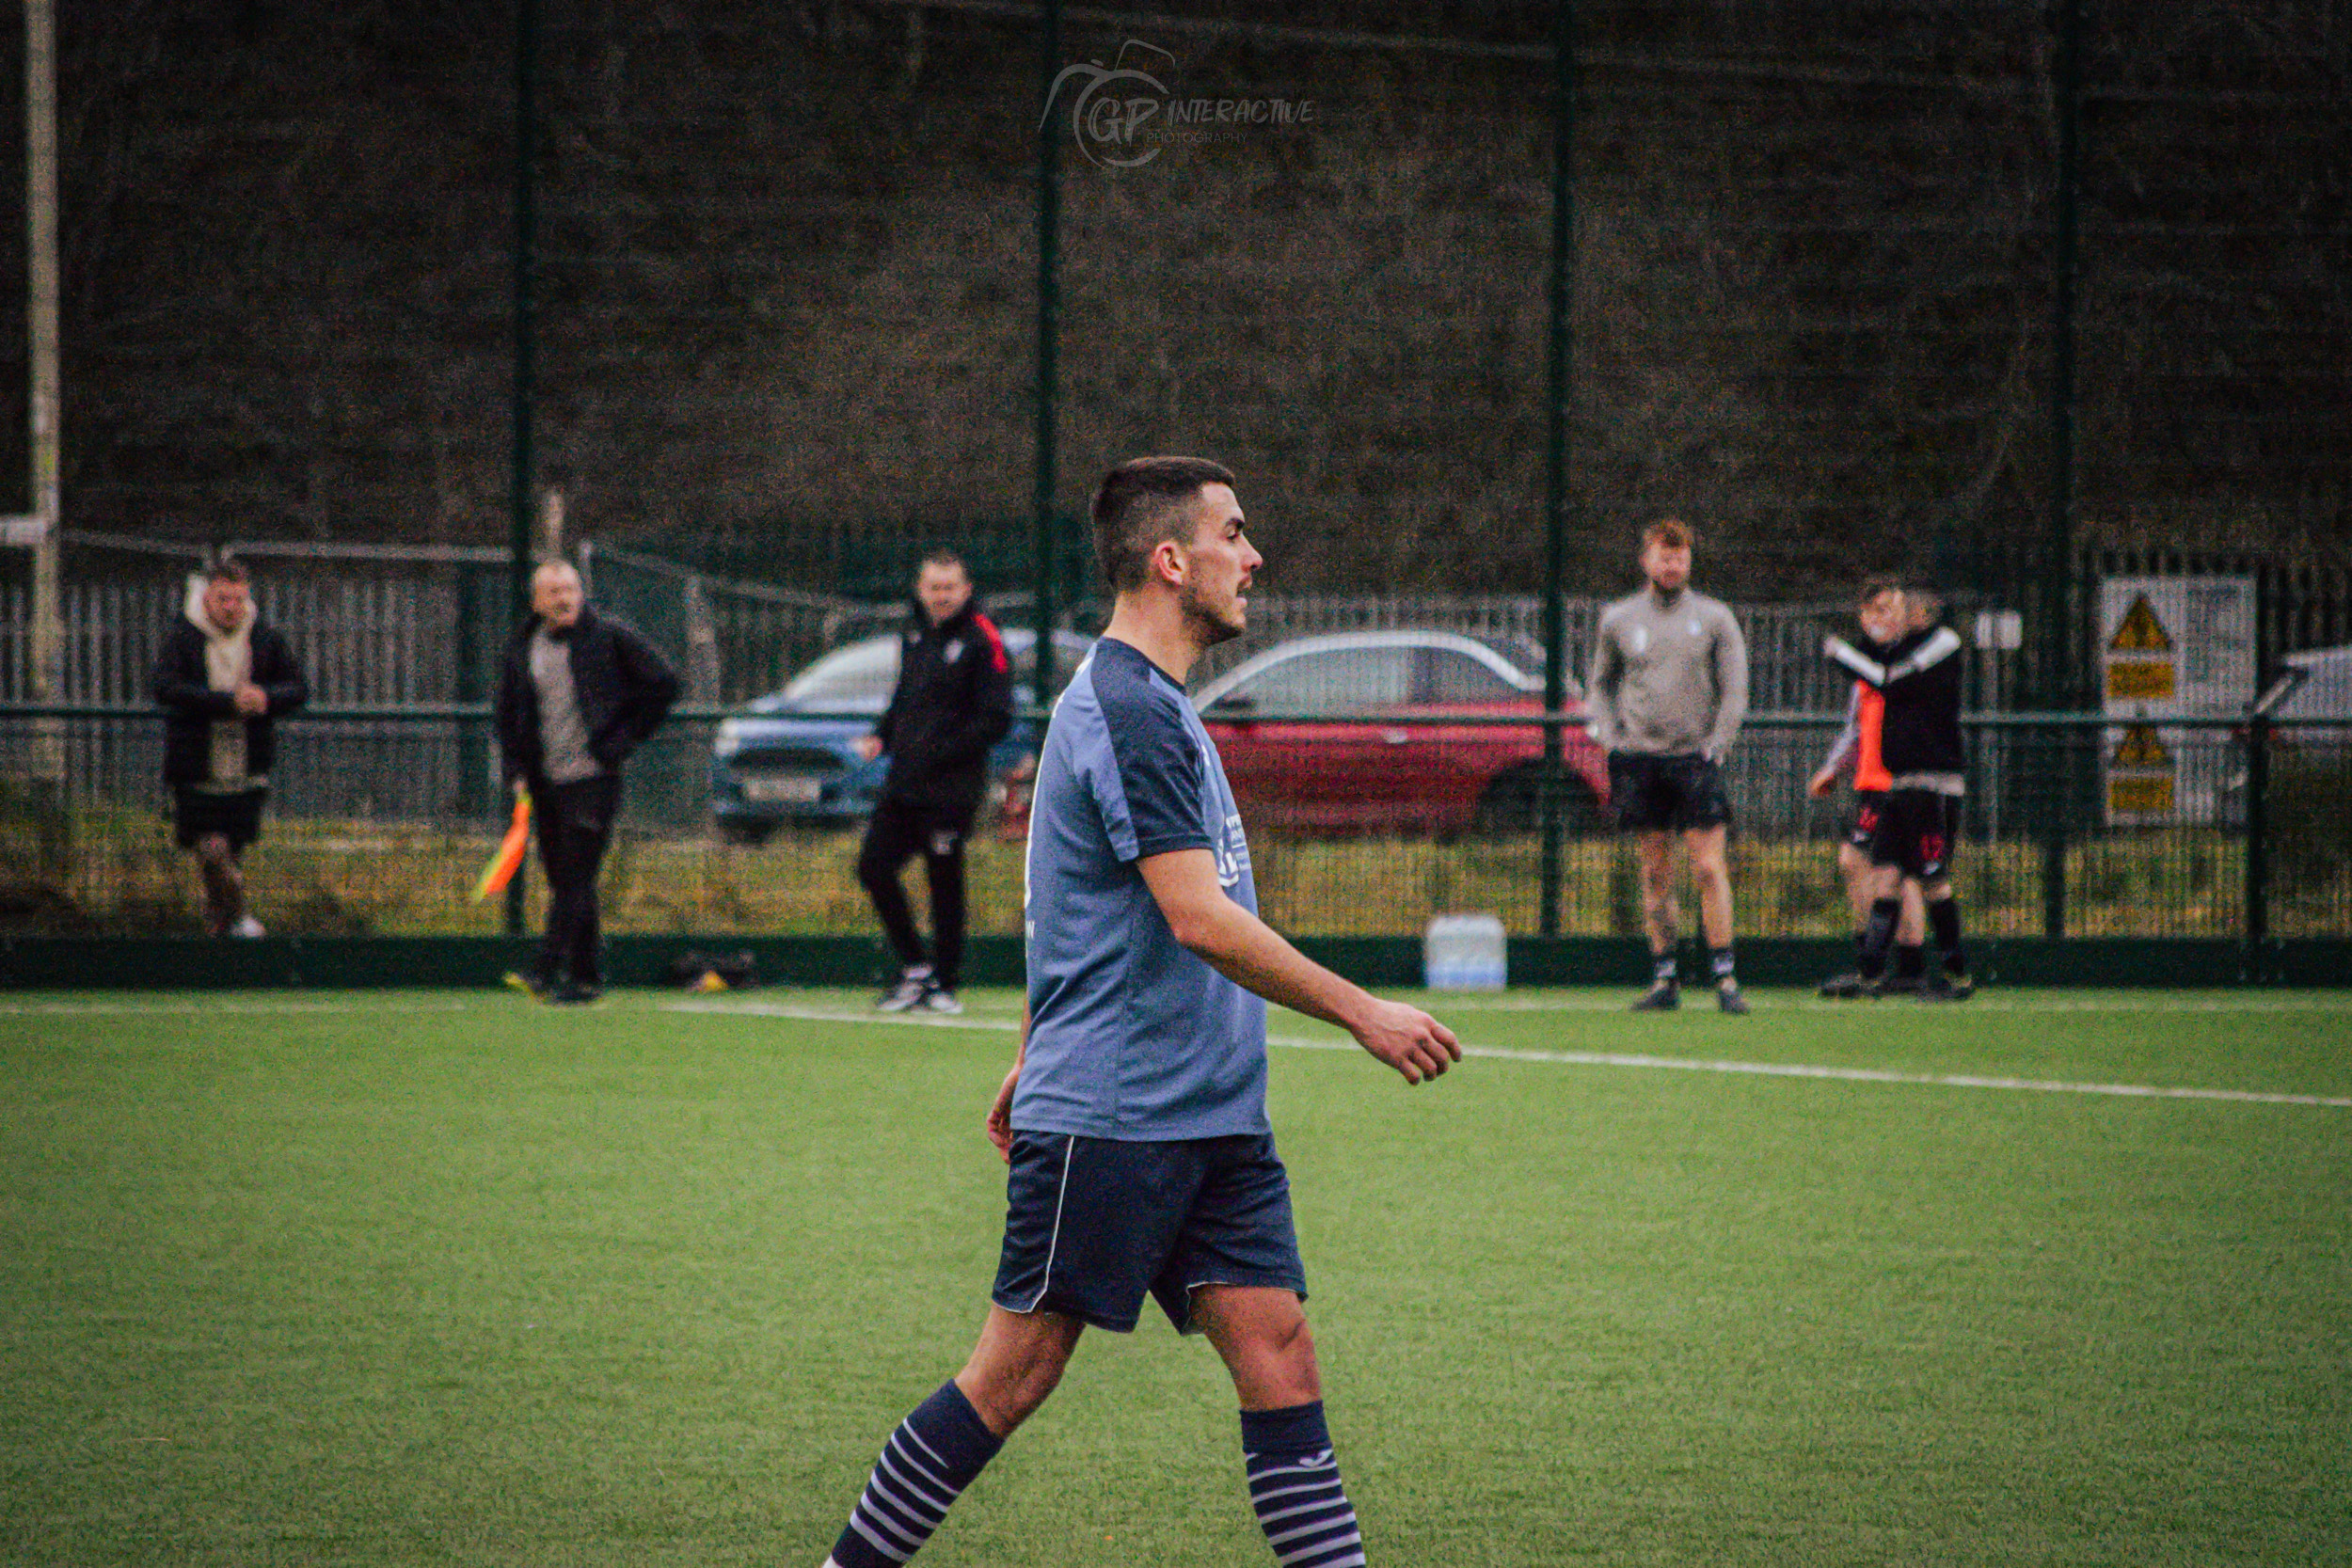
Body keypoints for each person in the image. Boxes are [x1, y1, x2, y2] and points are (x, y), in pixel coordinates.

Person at [812, 456, 1461, 1568]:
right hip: (1117, 1117)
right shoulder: (1128, 710)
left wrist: (1028, 1045)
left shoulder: (1153, 706)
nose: (1253, 557)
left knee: (1280, 1354)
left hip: (1210, 1117)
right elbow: (1195, 918)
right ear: (1171, 559)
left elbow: (1059, 901)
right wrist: (1362, 1011)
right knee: (1011, 1376)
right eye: (1234, 534)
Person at [1585, 518, 1752, 1013]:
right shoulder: (1618, 619)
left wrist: (1719, 743)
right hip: (1639, 762)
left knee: (1707, 866)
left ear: (1689, 563)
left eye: (1679, 558)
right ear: (1646, 561)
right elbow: (1600, 685)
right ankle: (1666, 980)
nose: (1671, 565)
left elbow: (1735, 688)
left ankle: (1724, 978)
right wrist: (1612, 740)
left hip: (1695, 761)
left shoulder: (1715, 618)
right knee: (1655, 873)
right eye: (1663, 556)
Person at [494, 560, 679, 1004]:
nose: (564, 599)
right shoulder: (523, 646)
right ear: (537, 601)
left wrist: (626, 737)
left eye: (571, 589)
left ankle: (543, 968)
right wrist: (516, 770)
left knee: (577, 875)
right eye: (554, 592)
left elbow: (665, 683)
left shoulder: (610, 635)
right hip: (546, 781)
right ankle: (586, 977)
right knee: (565, 880)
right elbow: (508, 714)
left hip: (595, 777)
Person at [852, 550, 1015, 1016]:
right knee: (873, 867)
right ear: (920, 590)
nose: (941, 597)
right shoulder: (914, 632)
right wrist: (881, 736)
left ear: (965, 589)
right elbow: (904, 695)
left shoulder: (983, 637)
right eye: (933, 588)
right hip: (904, 781)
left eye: (949, 588)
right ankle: (916, 968)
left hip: (952, 788)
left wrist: (943, 751)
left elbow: (997, 717)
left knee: (944, 879)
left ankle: (945, 981)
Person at [1823, 584, 1975, 1000]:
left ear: (1922, 612)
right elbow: (1875, 667)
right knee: (1885, 874)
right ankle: (1870, 974)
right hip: (1898, 782)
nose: (1894, 617)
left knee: (1932, 877)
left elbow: (1888, 680)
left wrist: (1840, 654)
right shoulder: (1896, 651)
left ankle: (1955, 974)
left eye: (1900, 609)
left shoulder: (1943, 643)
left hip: (1933, 783)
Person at [151, 557, 309, 937]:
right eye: (223, 599)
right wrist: (225, 703)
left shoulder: (265, 637)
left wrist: (265, 698)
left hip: (246, 768)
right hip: (195, 767)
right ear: (207, 597)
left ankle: (219, 931)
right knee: (212, 850)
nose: (231, 607)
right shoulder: (182, 636)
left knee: (229, 854)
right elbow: (165, 688)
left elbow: (299, 688)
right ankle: (239, 917)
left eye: (239, 599)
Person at [1810, 579, 1928, 997]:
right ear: (1863, 617)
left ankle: (1876, 969)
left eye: (1891, 609)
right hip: (1874, 782)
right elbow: (1856, 728)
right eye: (1875, 611)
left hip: (1904, 782)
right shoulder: (1867, 666)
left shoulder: (1914, 658)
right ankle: (1898, 970)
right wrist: (1833, 768)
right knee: (1890, 870)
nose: (1884, 618)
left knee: (1867, 864)